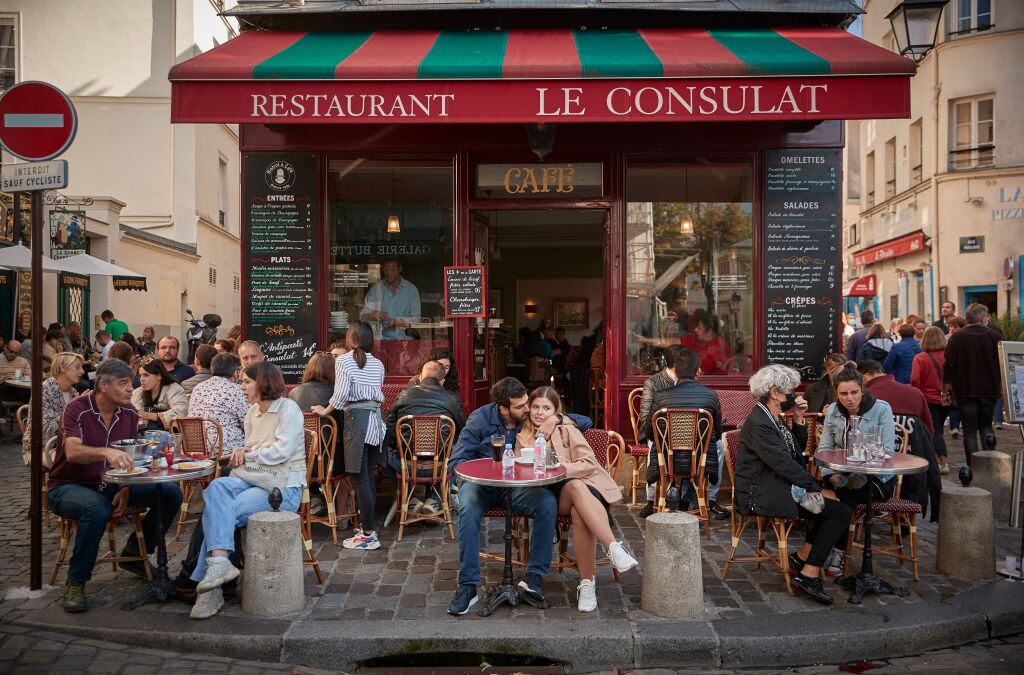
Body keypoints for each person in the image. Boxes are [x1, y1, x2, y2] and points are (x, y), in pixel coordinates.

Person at [47, 359, 183, 612]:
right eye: (122, 384)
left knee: (170, 493)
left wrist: (126, 488)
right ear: (102, 385)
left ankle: (133, 554)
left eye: (129, 383)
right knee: (97, 509)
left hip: (111, 483)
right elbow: (73, 451)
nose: (130, 389)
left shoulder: (129, 413)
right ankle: (76, 581)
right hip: (68, 485)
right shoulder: (77, 408)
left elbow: (130, 461)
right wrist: (106, 453)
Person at [188, 362, 306, 620]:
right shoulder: (251, 412)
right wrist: (241, 453)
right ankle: (219, 565)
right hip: (255, 478)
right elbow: (253, 453)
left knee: (221, 513)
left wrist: (247, 453)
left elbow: (281, 453)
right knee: (217, 486)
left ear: (262, 382)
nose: (240, 386)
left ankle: (208, 590)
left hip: (283, 487)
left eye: (245, 382)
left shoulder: (289, 409)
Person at [735, 364, 850, 605]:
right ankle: (808, 574)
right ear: (775, 393)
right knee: (839, 512)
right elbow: (784, 466)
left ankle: (801, 558)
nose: (794, 396)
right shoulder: (761, 423)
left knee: (832, 509)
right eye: (789, 392)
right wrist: (818, 488)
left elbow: (794, 455)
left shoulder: (771, 416)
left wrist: (798, 419)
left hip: (776, 485)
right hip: (763, 494)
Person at [515, 386, 638, 612]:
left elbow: (589, 463)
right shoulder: (523, 435)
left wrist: (561, 468)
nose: (539, 412)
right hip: (550, 497)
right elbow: (524, 469)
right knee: (575, 489)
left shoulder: (567, 429)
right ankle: (612, 548)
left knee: (578, 503)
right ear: (528, 408)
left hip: (581, 489)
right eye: (535, 407)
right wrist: (542, 438)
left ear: (555, 410)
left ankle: (587, 585)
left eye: (546, 408)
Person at [446, 377, 557, 616]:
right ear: (503, 408)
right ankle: (468, 586)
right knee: (468, 506)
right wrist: (469, 481)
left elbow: (583, 420)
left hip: (517, 488)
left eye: (528, 403)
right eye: (521, 406)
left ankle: (534, 578)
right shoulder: (480, 418)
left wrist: (555, 418)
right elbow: (457, 460)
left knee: (547, 503)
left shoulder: (530, 416)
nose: (528, 409)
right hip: (483, 486)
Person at [311, 321, 386, 551]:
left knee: (359, 477)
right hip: (376, 420)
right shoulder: (378, 363)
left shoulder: (343, 361)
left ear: (350, 339)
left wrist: (324, 410)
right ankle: (368, 529)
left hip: (357, 420)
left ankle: (368, 533)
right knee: (368, 478)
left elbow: (341, 394)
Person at [817, 365, 896, 576]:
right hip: (840, 476)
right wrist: (831, 476)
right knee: (816, 496)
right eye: (843, 394)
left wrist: (855, 479)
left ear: (863, 389)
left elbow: (886, 453)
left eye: (854, 392)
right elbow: (824, 450)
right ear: (836, 393)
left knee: (843, 499)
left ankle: (834, 551)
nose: (849, 398)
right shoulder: (833, 411)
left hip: (877, 478)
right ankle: (817, 552)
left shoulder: (881, 409)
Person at [642, 348, 725, 520]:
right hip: (698, 462)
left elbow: (650, 431)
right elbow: (716, 432)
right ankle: (704, 499)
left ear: (675, 370)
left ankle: (656, 501)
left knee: (655, 446)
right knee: (719, 444)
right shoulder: (710, 396)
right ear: (698, 370)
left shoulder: (660, 396)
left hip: (667, 460)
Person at [860, 359, 941, 521]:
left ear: (866, 375)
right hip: (911, 469)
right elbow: (928, 432)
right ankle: (904, 522)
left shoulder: (864, 396)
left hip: (873, 470)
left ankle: (859, 517)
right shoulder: (914, 393)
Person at [386, 360, 466, 514]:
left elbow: (390, 429)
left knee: (379, 448)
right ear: (442, 381)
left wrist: (399, 446)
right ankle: (434, 499)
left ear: (421, 376)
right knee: (459, 443)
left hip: (406, 466)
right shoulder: (452, 399)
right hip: (441, 467)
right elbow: (463, 429)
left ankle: (410, 499)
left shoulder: (404, 395)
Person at [943, 303, 1002, 466]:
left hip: (965, 390)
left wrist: (945, 391)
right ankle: (989, 464)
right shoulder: (995, 336)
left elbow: (948, 366)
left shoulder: (957, 337)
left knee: (969, 430)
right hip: (989, 389)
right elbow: (1004, 365)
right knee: (986, 426)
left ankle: (974, 466)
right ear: (983, 318)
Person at [22, 351, 84, 467]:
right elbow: (43, 428)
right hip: (40, 448)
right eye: (77, 367)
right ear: (63, 368)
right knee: (73, 461)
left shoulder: (73, 392)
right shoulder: (44, 390)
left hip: (67, 444)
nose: (82, 371)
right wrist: (70, 416)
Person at [188, 352, 248, 459]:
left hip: (197, 452)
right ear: (235, 372)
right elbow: (248, 424)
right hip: (226, 454)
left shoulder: (198, 388)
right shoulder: (236, 390)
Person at [912, 327, 951, 473]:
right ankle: (937, 458)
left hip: (927, 399)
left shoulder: (920, 358)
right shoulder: (949, 356)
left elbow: (914, 380)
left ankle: (943, 461)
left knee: (935, 430)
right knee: (938, 427)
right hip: (946, 399)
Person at [360, 258, 421, 339]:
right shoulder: (376, 289)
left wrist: (395, 322)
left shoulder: (411, 290)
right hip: (380, 341)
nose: (389, 274)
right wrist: (373, 315)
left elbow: (417, 320)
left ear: (400, 269)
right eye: (386, 270)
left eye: (393, 270)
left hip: (404, 342)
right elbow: (362, 317)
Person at [132, 357, 189, 432]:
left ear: (159, 376)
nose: (141, 379)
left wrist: (151, 416)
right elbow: (133, 414)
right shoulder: (138, 392)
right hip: (143, 438)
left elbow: (181, 413)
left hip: (170, 437)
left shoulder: (174, 389)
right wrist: (141, 423)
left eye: (146, 375)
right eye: (140, 375)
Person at [680, 311, 731, 376]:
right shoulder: (705, 342)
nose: (696, 330)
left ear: (709, 331)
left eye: (699, 327)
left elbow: (702, 369)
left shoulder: (717, 346)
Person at [945, 316, 967, 440]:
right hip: (952, 375)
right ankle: (954, 427)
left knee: (961, 402)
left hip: (963, 375)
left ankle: (959, 425)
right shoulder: (945, 339)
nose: (952, 329)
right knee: (954, 402)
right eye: (951, 326)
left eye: (956, 327)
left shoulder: (965, 340)